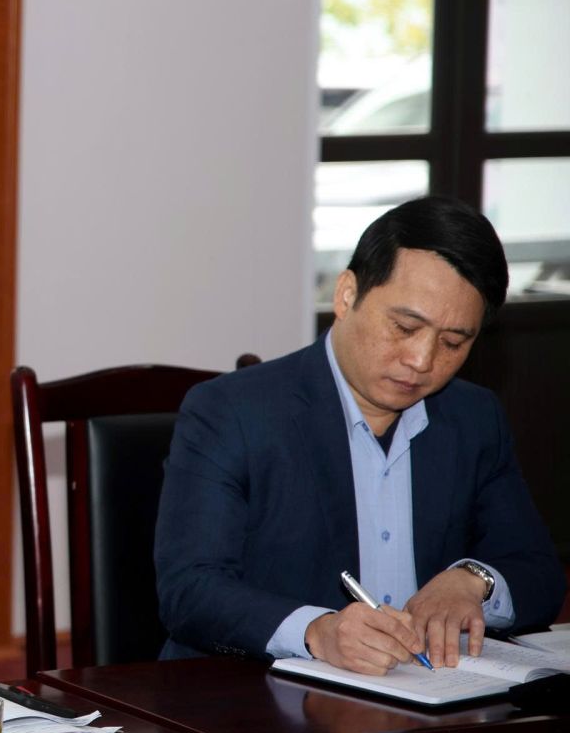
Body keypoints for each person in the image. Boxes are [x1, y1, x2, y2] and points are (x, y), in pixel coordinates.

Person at [155, 195, 563, 675]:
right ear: (347, 295)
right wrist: (316, 632)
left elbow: (539, 574)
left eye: (453, 342)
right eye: (405, 327)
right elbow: (191, 590)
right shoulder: (233, 411)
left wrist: (473, 581)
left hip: (428, 694)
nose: (422, 360)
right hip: (261, 697)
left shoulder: (473, 418)